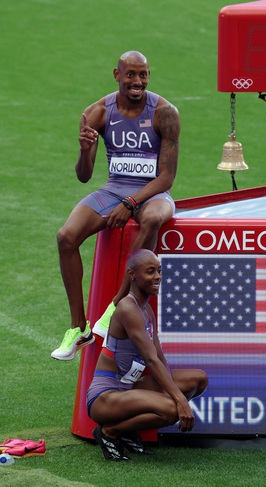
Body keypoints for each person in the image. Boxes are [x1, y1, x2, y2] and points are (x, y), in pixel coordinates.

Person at [53, 51, 179, 360]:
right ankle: (78, 327)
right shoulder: (96, 113)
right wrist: (84, 151)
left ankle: (115, 306)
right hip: (114, 189)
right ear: (117, 74)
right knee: (65, 237)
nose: (138, 82)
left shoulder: (165, 113)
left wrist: (131, 202)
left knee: (150, 220)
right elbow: (83, 176)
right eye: (131, 75)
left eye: (144, 75)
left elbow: (167, 178)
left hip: (152, 195)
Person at [86, 249, 208, 461]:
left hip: (130, 388)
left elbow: (159, 358)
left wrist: (177, 395)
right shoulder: (127, 308)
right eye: (150, 272)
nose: (158, 277)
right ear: (132, 274)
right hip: (106, 397)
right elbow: (150, 359)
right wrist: (180, 401)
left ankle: (124, 429)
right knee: (171, 410)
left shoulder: (146, 310)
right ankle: (110, 432)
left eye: (159, 271)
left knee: (197, 379)